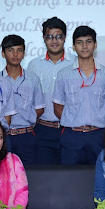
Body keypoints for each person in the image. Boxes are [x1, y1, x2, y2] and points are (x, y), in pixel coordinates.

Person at [53, 26, 105, 164]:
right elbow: (58, 107)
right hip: (72, 136)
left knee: (100, 174)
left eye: (88, 41)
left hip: (99, 135)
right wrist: (73, 121)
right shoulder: (63, 74)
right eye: (79, 42)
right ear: (73, 47)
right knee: (70, 176)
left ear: (95, 45)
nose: (84, 46)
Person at [26, 17, 75, 164]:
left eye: (58, 36)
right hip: (43, 130)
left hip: (69, 129)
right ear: (44, 38)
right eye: (50, 37)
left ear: (65, 38)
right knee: (45, 174)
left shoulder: (75, 63)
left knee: (71, 173)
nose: (54, 41)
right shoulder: (34, 65)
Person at [0, 34, 46, 165]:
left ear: (24, 54)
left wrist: (26, 117)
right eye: (10, 50)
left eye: (19, 50)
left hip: (26, 136)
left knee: (29, 174)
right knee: (3, 173)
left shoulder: (33, 79)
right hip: (3, 136)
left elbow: (40, 108)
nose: (15, 54)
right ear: (3, 54)